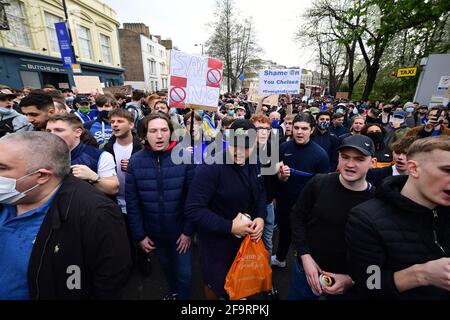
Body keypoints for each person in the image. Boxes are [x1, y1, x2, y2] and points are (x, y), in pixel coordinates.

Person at [0, 131, 131, 299]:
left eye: (2, 168)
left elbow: (110, 277)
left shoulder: (94, 213)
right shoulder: (7, 198)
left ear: (42, 176)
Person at [346, 136, 450, 299]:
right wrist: (421, 275)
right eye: (447, 170)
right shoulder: (367, 219)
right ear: (414, 169)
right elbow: (369, 284)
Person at [185, 119, 267, 300]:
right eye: (235, 145)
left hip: (244, 241)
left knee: (239, 283)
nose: (239, 152)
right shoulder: (211, 168)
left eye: (246, 147)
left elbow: (261, 194)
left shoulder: (256, 162)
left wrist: (261, 217)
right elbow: (193, 209)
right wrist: (229, 226)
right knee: (215, 284)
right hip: (216, 243)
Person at [289, 135, 376, 300]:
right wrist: (304, 256)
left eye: (359, 159)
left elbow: (381, 255)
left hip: (348, 286)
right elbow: (297, 216)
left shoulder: (377, 200)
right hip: (305, 273)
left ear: (372, 162)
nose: (350, 164)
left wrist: (353, 280)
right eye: (345, 157)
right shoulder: (319, 183)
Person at [125, 112, 195, 300]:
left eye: (164, 130)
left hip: (181, 233)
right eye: (153, 130)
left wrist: (188, 231)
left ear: (171, 132)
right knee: (167, 268)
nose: (159, 135)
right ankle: (174, 293)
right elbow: (132, 202)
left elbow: (193, 199)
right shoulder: (136, 161)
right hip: (154, 233)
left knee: (185, 275)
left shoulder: (184, 158)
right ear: (144, 134)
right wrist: (140, 235)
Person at [272, 113, 330, 268]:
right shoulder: (283, 147)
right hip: (284, 201)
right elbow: (275, 173)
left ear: (311, 130)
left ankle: (304, 267)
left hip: (306, 206)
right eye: (296, 127)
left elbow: (323, 186)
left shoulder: (320, 155)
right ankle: (280, 258)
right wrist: (280, 176)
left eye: (304, 128)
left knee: (302, 238)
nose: (299, 132)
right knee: (284, 231)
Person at [46, 114, 119, 196]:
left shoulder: (100, 156)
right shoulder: (43, 155)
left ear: (78, 132)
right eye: (49, 131)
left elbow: (113, 189)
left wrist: (94, 177)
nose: (52, 135)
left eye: (59, 130)